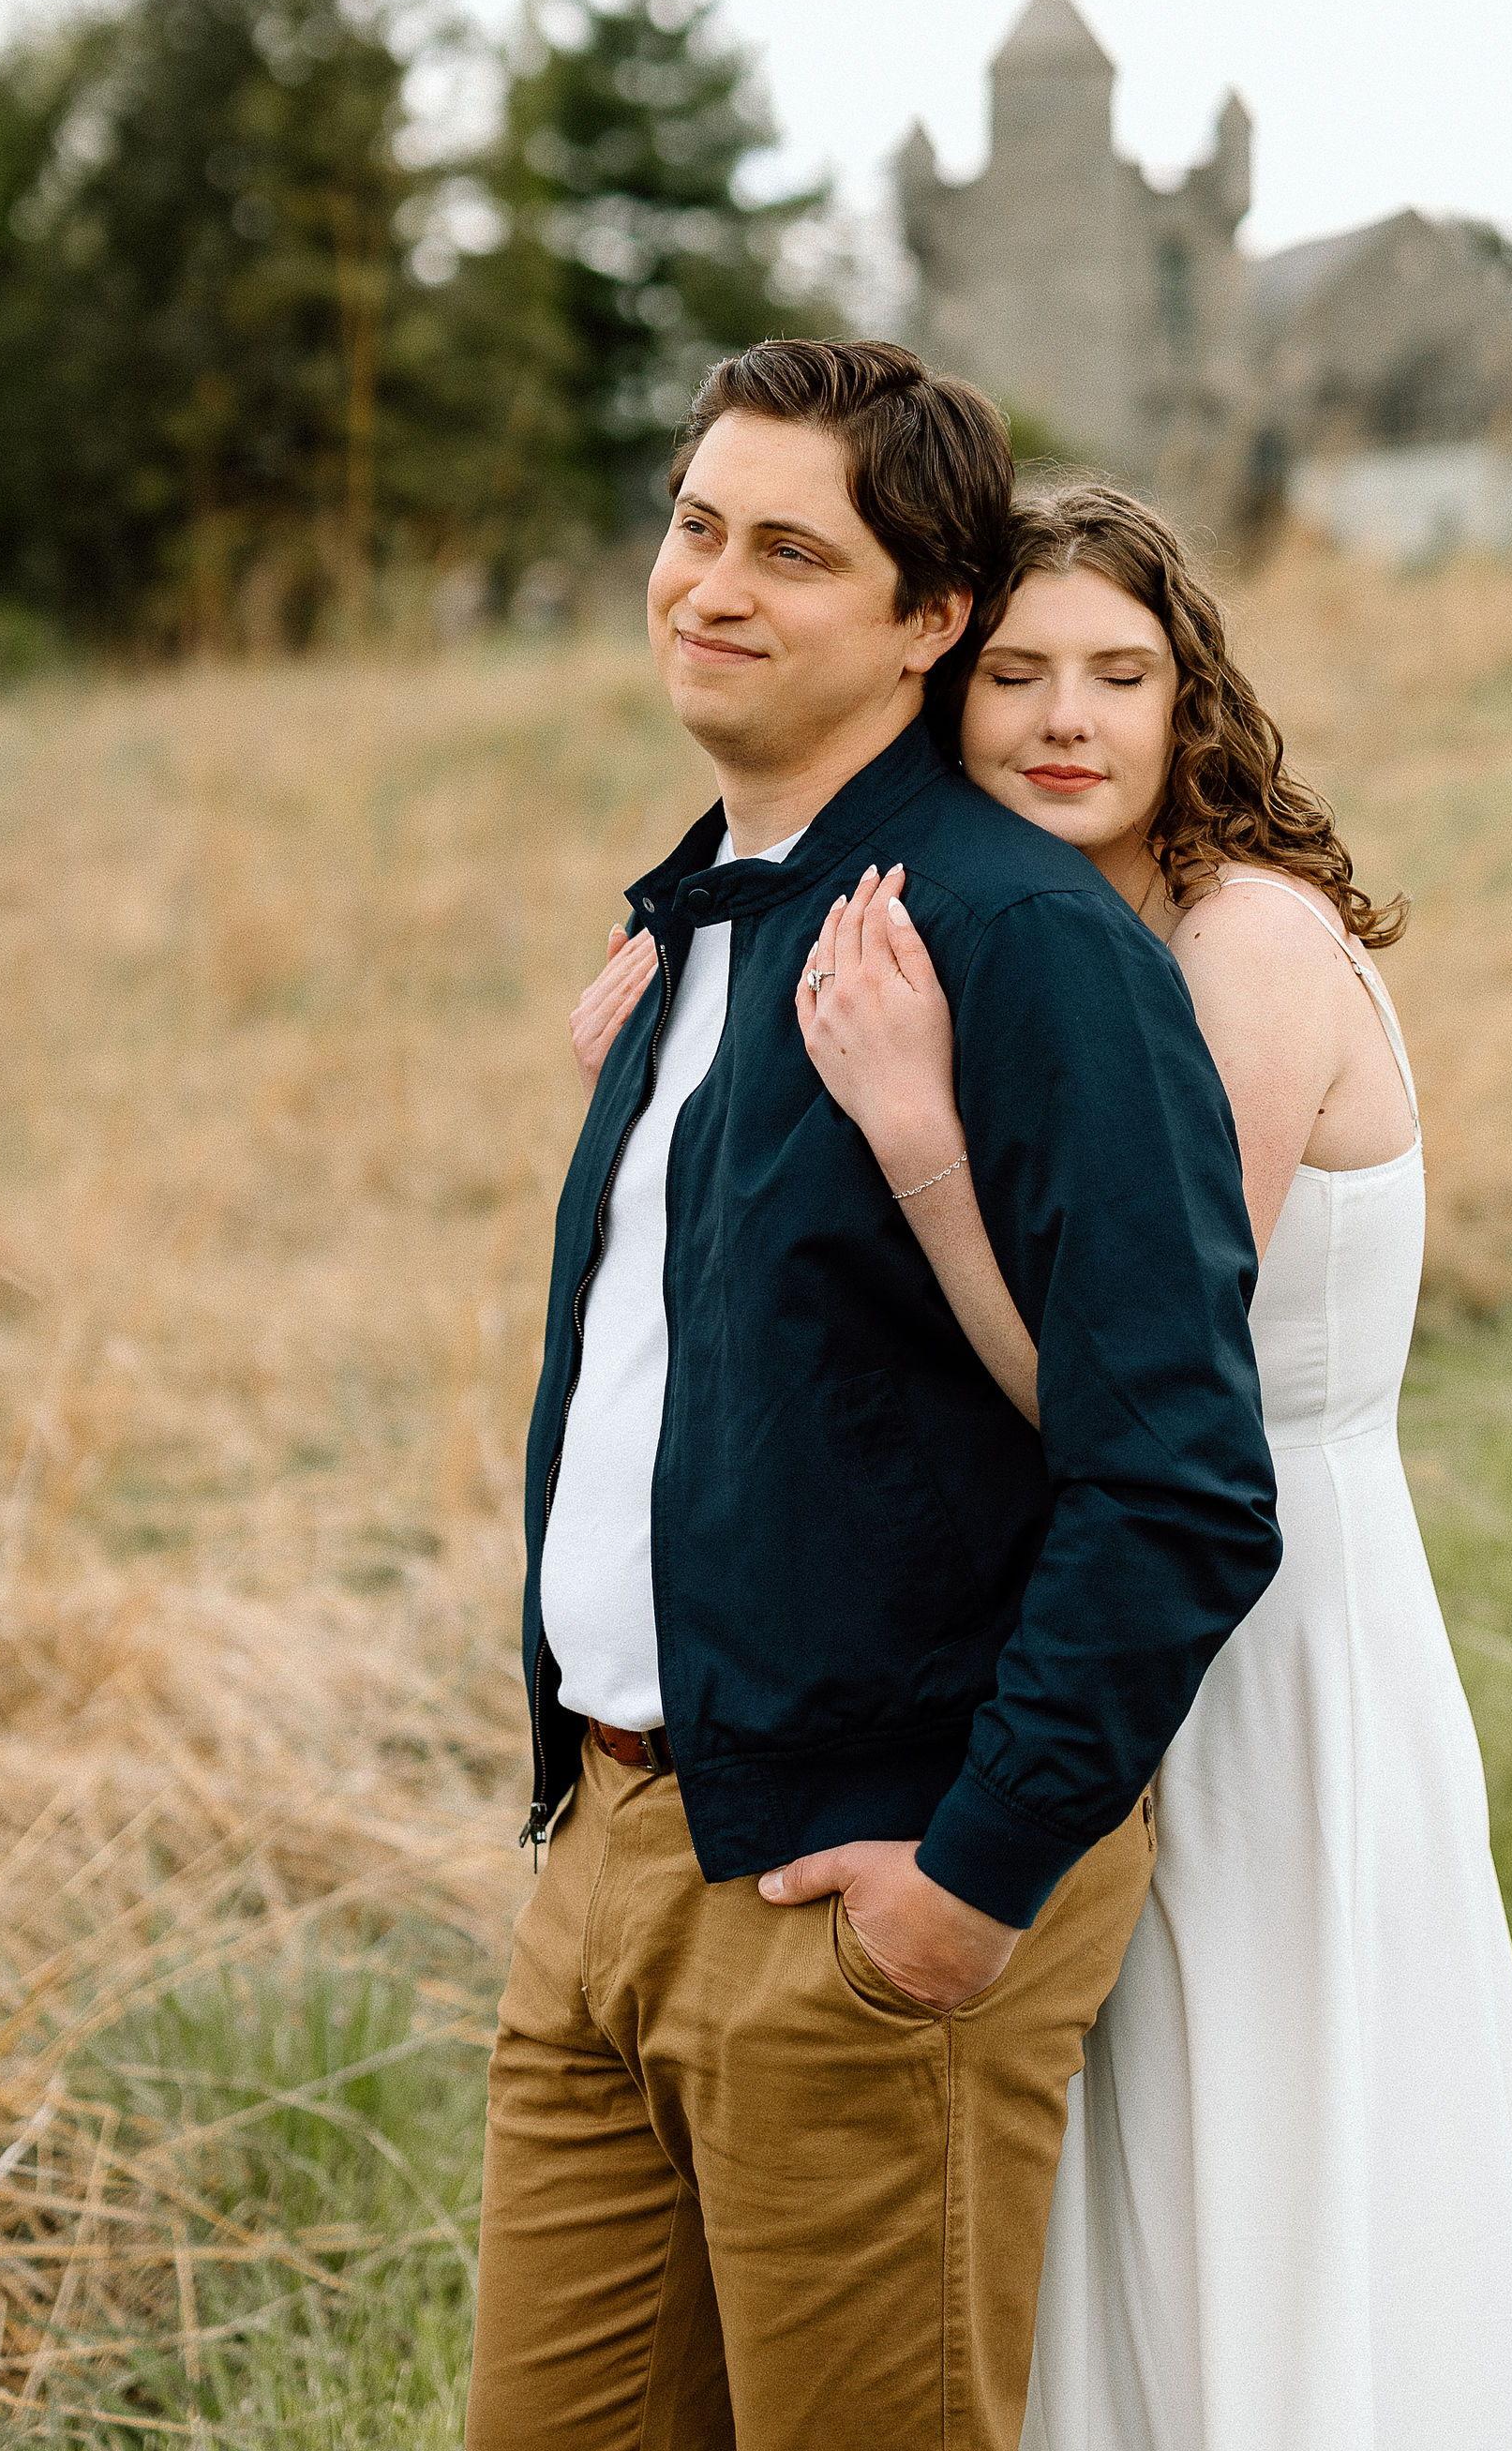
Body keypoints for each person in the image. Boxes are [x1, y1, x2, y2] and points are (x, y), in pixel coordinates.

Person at [473, 344, 1281, 2451]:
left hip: (864, 1889)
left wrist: (971, 1881)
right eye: (695, 527)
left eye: (792, 553)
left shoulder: (1021, 945)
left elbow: (1184, 1480)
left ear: (931, 619)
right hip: (613, 1854)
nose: (713, 586)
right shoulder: (702, 922)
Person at [771, 479, 1512, 2451]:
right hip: (1109, 1614)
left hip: (1255, 1617)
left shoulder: (1243, 943)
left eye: (1120, 673)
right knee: (1133, 2153)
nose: (1067, 719)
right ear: (944, 692)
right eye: (1017, 675)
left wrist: (915, 1135)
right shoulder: (1055, 937)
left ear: (1190, 701)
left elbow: (1132, 1408)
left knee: (1267, 2129)